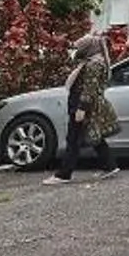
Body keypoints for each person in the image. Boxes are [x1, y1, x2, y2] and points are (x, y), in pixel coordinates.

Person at [53, 32, 120, 182]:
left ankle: (64, 174)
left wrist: (81, 108)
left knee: (74, 139)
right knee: (94, 137)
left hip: (83, 105)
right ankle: (110, 166)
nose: (77, 51)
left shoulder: (93, 65)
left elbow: (89, 88)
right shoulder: (93, 62)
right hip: (88, 104)